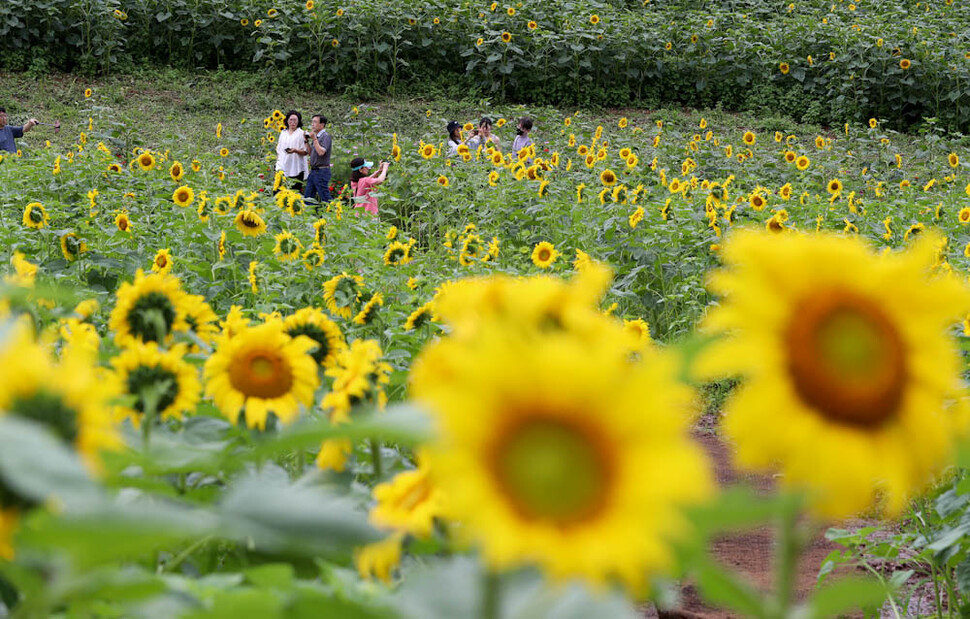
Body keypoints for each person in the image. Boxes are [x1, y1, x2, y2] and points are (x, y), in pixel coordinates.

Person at [275, 110, 309, 192]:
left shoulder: (301, 133)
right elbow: (279, 149)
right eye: (291, 119)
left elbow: (305, 152)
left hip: (296, 167)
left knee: (294, 192)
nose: (292, 122)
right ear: (287, 120)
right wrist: (277, 163)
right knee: (278, 192)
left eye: (295, 120)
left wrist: (295, 150)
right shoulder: (283, 133)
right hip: (282, 166)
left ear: (298, 121)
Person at [304, 114, 333, 205]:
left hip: (322, 171)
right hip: (313, 171)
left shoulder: (325, 136)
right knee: (308, 197)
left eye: (315, 122)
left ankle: (333, 214)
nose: (312, 124)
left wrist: (314, 139)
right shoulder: (316, 137)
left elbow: (321, 152)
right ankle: (309, 217)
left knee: (325, 196)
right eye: (312, 122)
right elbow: (311, 153)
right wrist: (306, 141)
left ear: (322, 125)